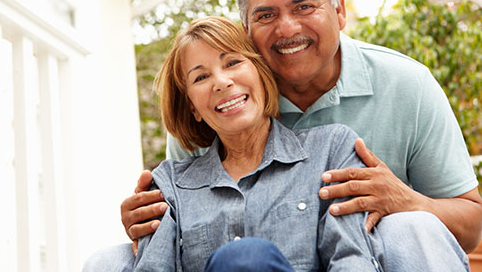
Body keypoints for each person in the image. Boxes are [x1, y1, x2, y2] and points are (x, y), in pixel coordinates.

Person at [82, 0, 481, 270]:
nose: (287, 28)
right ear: (246, 31)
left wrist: (406, 201)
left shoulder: (402, 86)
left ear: (339, 11)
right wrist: (146, 224)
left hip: (371, 255)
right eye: (266, 15)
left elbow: (473, 223)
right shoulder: (231, 98)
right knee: (109, 260)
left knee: (409, 227)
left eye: (304, 6)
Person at [128, 15, 468, 271]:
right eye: (201, 77)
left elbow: (352, 258)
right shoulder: (171, 184)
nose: (221, 81)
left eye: (233, 62)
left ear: (262, 74)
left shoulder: (332, 149)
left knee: (248, 258)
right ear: (192, 107)